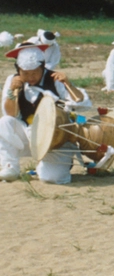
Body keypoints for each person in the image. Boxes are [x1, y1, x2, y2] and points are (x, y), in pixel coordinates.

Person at [1, 41, 94, 183]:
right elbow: (10, 113)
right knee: (5, 122)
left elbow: (81, 103)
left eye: (35, 73)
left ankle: (57, 164)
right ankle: (10, 165)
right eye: (25, 73)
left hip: (57, 139)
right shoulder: (13, 81)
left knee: (50, 178)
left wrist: (68, 84)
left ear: (42, 67)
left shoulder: (55, 79)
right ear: (18, 69)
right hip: (29, 135)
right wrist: (12, 91)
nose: (31, 77)